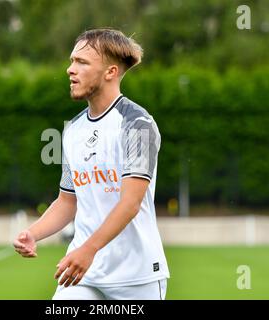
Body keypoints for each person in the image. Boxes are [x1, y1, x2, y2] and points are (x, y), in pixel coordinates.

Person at [13, 28, 169, 300]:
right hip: (84, 274)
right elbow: (68, 201)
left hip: (136, 278)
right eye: (72, 60)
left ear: (110, 72)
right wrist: (33, 233)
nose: (69, 70)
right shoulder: (72, 130)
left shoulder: (138, 125)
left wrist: (89, 250)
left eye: (81, 62)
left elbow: (130, 204)